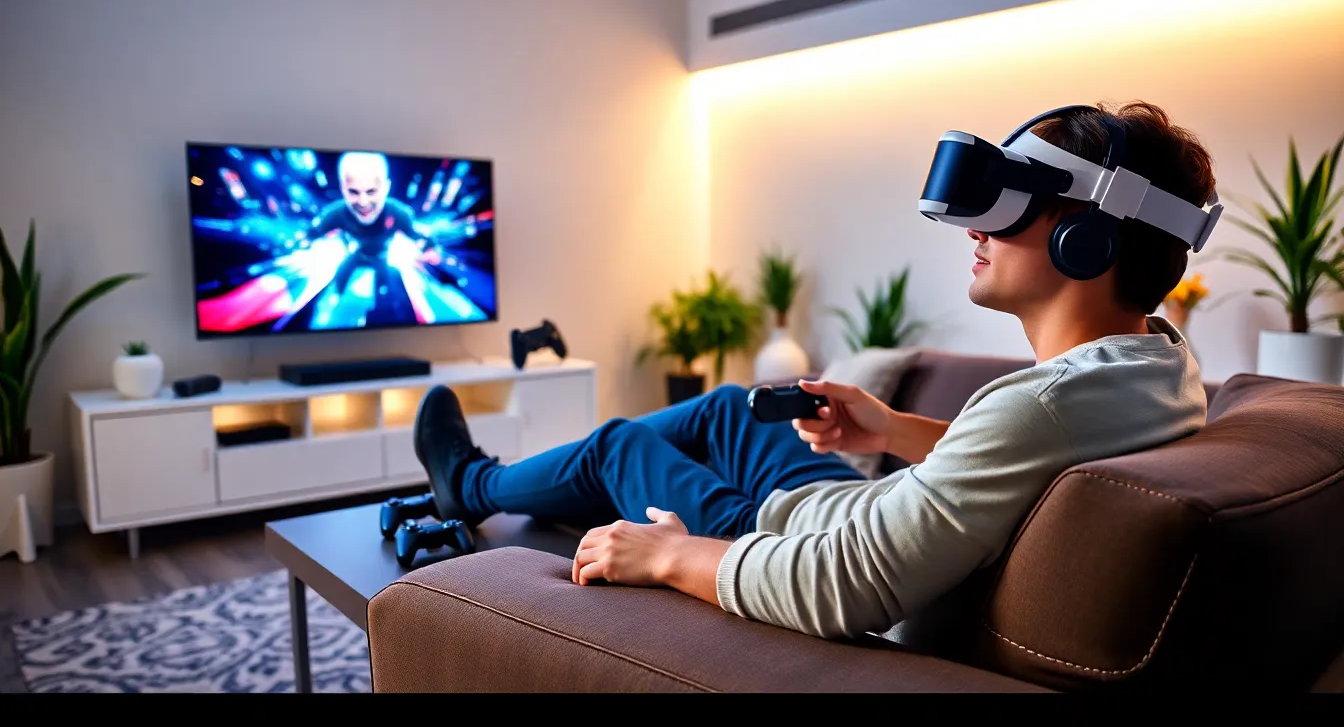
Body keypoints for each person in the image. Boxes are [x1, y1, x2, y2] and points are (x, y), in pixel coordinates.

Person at [410, 100, 1219, 640]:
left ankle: (473, 485)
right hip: (844, 504)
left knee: (621, 445)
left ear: (1090, 238)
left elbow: (847, 584)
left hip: (783, 536)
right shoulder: (1156, 364)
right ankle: (499, 484)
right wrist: (894, 429)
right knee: (730, 408)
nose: (973, 231)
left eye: (1009, 205)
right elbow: (1022, 469)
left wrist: (667, 556)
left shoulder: (1046, 404)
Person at [304, 152, 426, 323]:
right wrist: (304, 241)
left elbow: (417, 235)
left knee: (388, 286)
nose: (363, 202)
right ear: (342, 189)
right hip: (357, 254)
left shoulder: (399, 213)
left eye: (371, 192)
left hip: (381, 257)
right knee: (341, 275)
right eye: (353, 192)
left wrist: (426, 244)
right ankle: (334, 300)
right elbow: (313, 232)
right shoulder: (336, 212)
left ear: (386, 188)